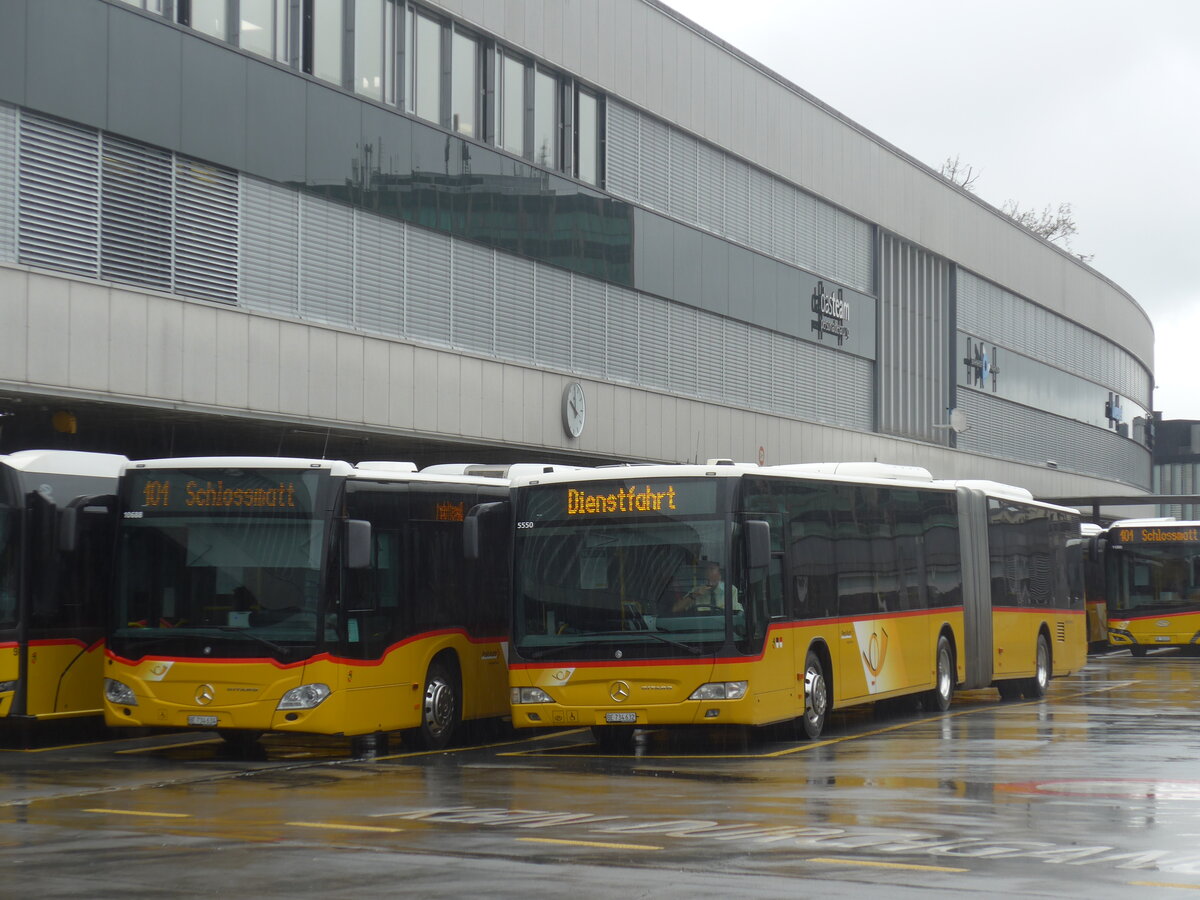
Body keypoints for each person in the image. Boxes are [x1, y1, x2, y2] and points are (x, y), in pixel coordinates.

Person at [672, 561, 737, 613]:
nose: (709, 572)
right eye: (707, 570)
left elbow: (736, 614)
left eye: (712, 569)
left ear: (719, 574)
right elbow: (676, 609)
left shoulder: (730, 589)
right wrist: (694, 595)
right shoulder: (696, 590)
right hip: (701, 626)